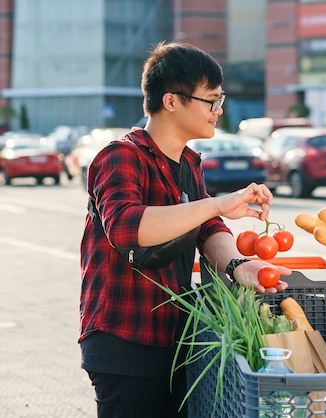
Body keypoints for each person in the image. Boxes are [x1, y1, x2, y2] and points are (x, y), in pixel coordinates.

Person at [78, 41, 290, 418]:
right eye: (211, 100)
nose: (218, 110)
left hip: (177, 340)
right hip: (125, 340)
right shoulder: (119, 156)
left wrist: (239, 266)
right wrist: (215, 203)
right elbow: (126, 227)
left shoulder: (189, 164)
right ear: (172, 100)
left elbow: (207, 228)